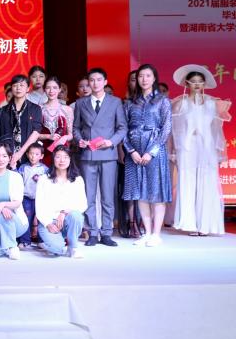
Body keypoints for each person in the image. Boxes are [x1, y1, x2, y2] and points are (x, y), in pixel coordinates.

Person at [170, 65, 229, 236]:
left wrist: (219, 151)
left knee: (207, 182)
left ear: (204, 84)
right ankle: (190, 224)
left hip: (207, 147)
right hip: (187, 147)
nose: (197, 84)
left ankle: (206, 225)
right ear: (187, 83)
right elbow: (174, 130)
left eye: (200, 82)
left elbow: (217, 130)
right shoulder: (180, 104)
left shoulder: (212, 104)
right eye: (193, 81)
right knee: (188, 182)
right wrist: (174, 151)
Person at [74, 67, 127, 247]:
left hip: (108, 154)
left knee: (107, 195)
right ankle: (92, 232)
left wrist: (111, 142)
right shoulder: (81, 103)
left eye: (98, 80)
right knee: (88, 196)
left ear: (105, 82)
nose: (95, 83)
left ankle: (106, 232)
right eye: (92, 80)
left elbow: (122, 127)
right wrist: (80, 140)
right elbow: (75, 128)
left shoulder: (115, 102)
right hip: (88, 154)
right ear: (88, 83)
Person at [122, 64, 173, 247]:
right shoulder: (130, 103)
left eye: (148, 76)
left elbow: (166, 128)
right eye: (140, 76)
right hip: (134, 152)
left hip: (155, 152)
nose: (144, 79)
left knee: (156, 191)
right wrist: (131, 151)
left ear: (154, 78)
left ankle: (156, 234)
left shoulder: (162, 101)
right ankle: (147, 232)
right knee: (140, 192)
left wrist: (151, 152)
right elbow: (123, 129)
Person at [35, 146, 88, 257]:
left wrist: (64, 212)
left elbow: (83, 204)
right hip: (50, 221)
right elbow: (39, 206)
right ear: (53, 159)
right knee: (57, 250)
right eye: (58, 157)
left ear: (70, 159)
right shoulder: (44, 179)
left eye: (65, 157)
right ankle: (50, 244)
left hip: (67, 220)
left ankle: (73, 247)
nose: (62, 160)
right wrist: (47, 223)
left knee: (76, 216)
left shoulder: (77, 180)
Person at [0, 74, 43, 168]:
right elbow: (1, 134)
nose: (18, 88)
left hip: (28, 154)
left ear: (28, 88)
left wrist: (20, 152)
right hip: (8, 154)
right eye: (15, 85)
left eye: (22, 85)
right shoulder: (4, 110)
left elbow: (36, 132)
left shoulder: (35, 109)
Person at [17, 143, 48, 249]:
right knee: (26, 218)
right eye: (31, 153)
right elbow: (18, 181)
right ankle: (25, 241)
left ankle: (41, 240)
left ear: (41, 156)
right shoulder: (23, 167)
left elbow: (48, 183)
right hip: (26, 198)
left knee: (41, 218)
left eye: (36, 154)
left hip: (40, 198)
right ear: (27, 154)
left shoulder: (44, 169)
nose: (33, 156)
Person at [38, 76, 73, 156]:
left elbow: (70, 135)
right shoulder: (39, 109)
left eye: (55, 88)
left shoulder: (67, 109)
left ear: (59, 89)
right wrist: (48, 136)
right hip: (42, 151)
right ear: (44, 89)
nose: (51, 91)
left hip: (61, 150)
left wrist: (64, 138)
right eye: (48, 88)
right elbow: (34, 134)